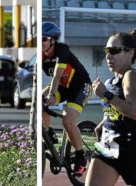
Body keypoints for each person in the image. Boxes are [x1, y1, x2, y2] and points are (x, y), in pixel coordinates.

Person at [86, 30, 136, 186]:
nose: (108, 56)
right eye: (106, 51)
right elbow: (115, 111)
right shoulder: (110, 81)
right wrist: (104, 123)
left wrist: (106, 95)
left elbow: (134, 112)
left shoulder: (131, 76)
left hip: (133, 151)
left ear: (130, 52)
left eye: (114, 51)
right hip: (108, 148)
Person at [42, 22, 92, 176]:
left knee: (67, 121)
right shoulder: (42, 55)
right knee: (39, 101)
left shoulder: (62, 50)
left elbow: (57, 76)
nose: (40, 42)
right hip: (64, 87)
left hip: (81, 87)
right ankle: (49, 132)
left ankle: (80, 157)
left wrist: (51, 95)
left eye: (44, 39)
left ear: (53, 40)